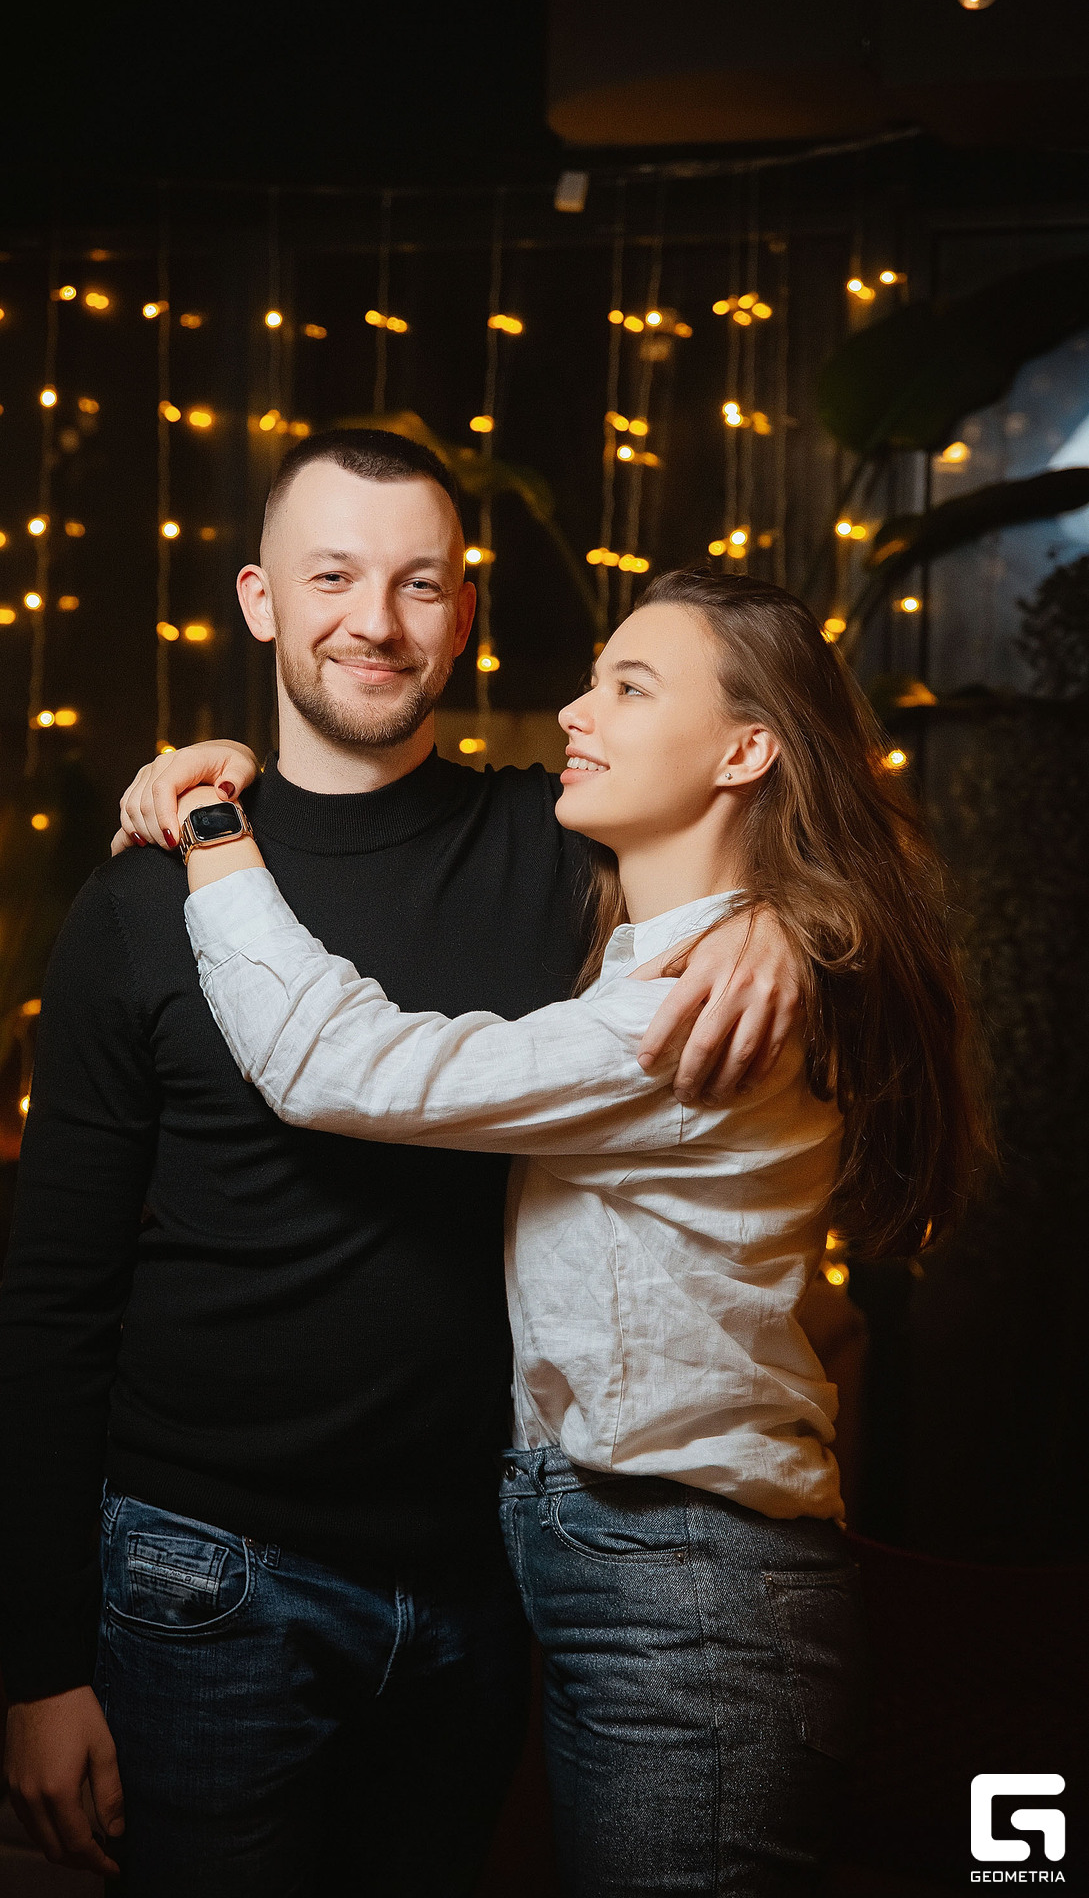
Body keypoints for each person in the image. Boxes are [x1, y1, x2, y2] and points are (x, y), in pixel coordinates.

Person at [0, 431, 802, 1895]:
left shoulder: (568, 851)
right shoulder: (146, 897)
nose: (375, 621)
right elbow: (55, 1293)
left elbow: (772, 833)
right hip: (199, 1568)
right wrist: (37, 1664)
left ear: (464, 614)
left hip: (484, 1581)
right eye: (333, 578)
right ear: (259, 601)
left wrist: (788, 924)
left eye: (419, 583)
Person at [154, 567, 992, 1895]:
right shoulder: (667, 960)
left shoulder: (689, 1009)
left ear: (745, 752)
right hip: (641, 1568)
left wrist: (212, 829)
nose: (573, 711)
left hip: (689, 1581)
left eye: (630, 686)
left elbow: (334, 1064)